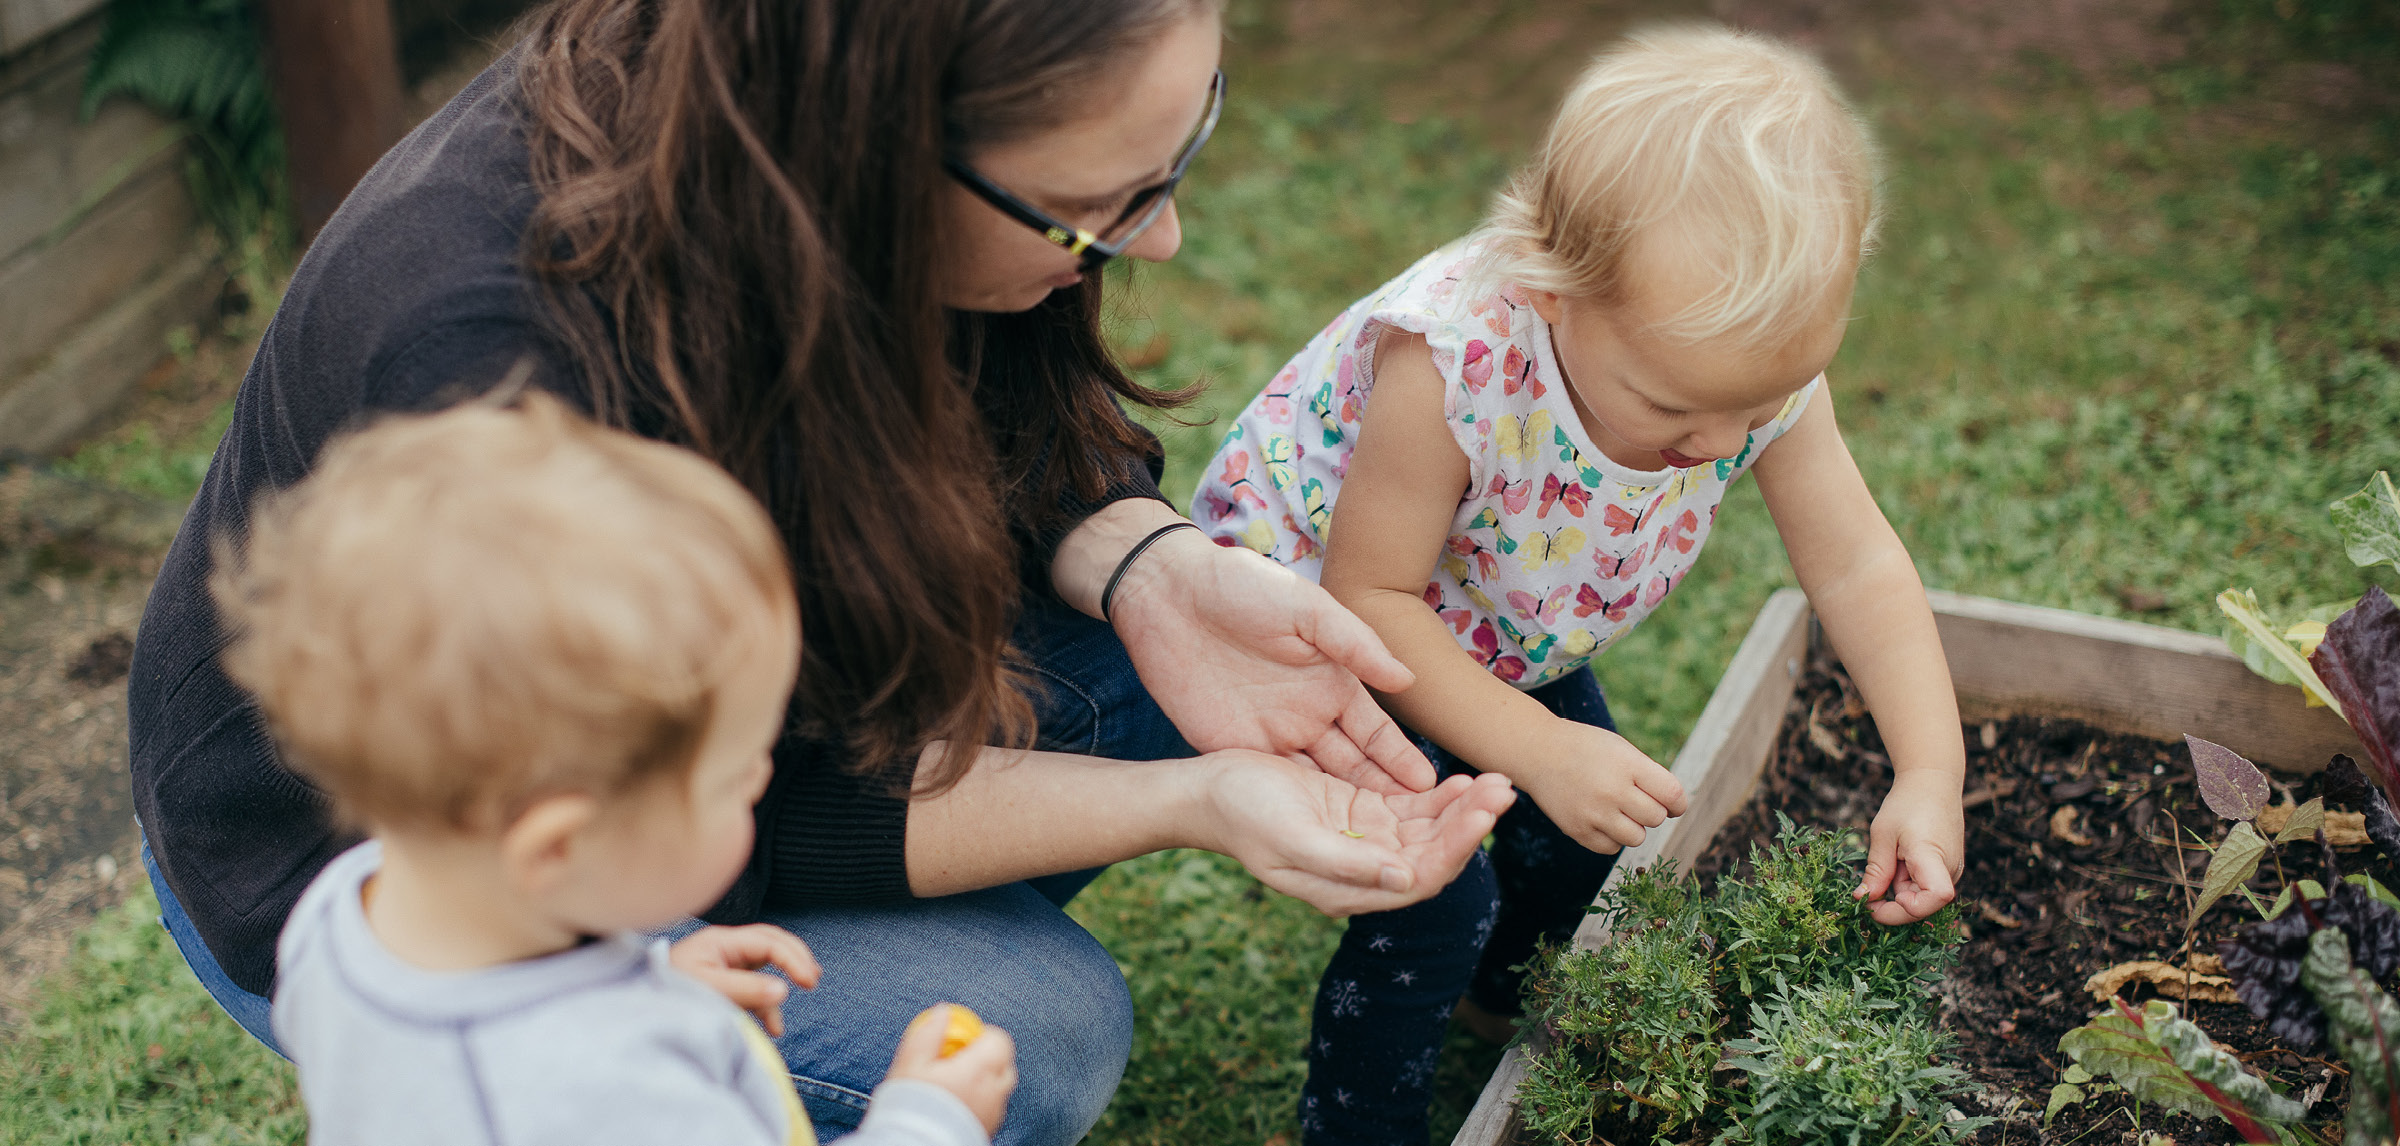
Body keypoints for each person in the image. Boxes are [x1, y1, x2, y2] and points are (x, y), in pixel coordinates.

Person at [126, 3, 1517, 1144]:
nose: (1158, 239)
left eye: (1181, 151)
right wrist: (1187, 799)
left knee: (1217, 639)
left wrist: (1147, 564)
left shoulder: (778, 126)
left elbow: (1009, 418)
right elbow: (743, 794)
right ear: (881, 151)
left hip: (597, 797)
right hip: (381, 845)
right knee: (1036, 1030)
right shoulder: (501, 359)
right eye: (1097, 210)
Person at [1191, 24, 1970, 1146]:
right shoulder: (1454, 364)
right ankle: (1357, 1123)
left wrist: (1930, 771)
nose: (1715, 446)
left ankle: (1500, 1002)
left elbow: (1854, 563)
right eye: (1670, 407)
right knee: (1433, 893)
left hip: (1491, 626)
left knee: (1581, 850)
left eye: (1753, 412)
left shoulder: (1746, 373)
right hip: (1326, 625)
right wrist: (1541, 744)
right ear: (1553, 290)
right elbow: (1373, 601)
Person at [226, 394, 1014, 1146]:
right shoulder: (612, 1092)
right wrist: (927, 1120)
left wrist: (656, 978)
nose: (760, 781)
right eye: (736, 771)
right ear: (559, 848)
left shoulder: (342, 912)